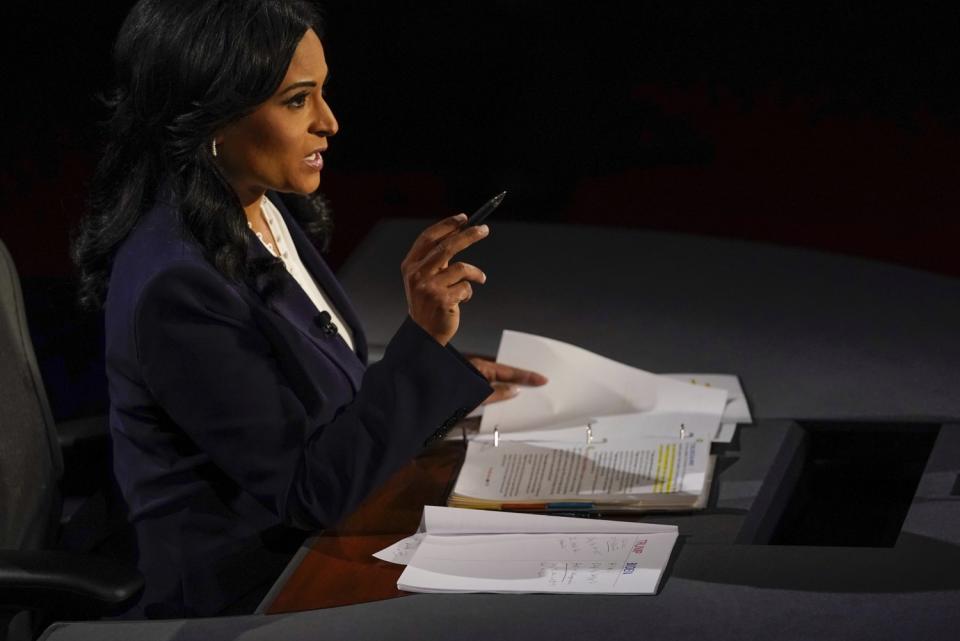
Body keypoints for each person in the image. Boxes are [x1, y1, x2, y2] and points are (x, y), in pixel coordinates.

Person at [72, 0, 546, 618]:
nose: (330, 122)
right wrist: (420, 347)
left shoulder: (257, 204)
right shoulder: (177, 286)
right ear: (213, 115)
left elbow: (320, 390)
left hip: (315, 546)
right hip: (246, 593)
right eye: (298, 100)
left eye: (322, 93)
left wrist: (441, 382)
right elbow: (307, 491)